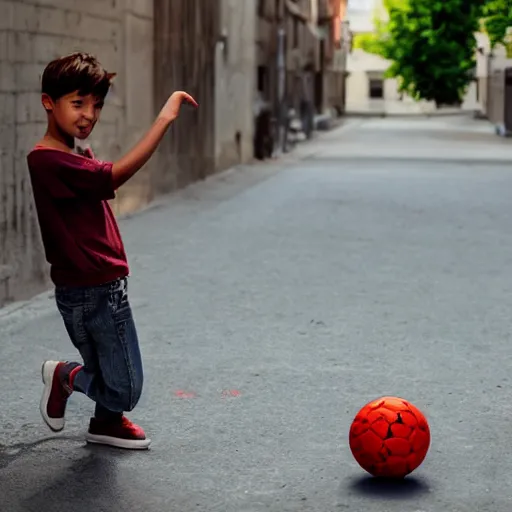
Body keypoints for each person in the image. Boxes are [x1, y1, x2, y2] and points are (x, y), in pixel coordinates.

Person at [26, 52, 198, 450]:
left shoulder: (72, 153)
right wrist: (164, 120)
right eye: (78, 103)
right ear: (48, 102)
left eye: (97, 105)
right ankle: (66, 376)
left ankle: (106, 422)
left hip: (101, 286)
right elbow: (115, 176)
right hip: (90, 291)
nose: (89, 114)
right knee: (125, 388)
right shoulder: (47, 161)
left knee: (111, 372)